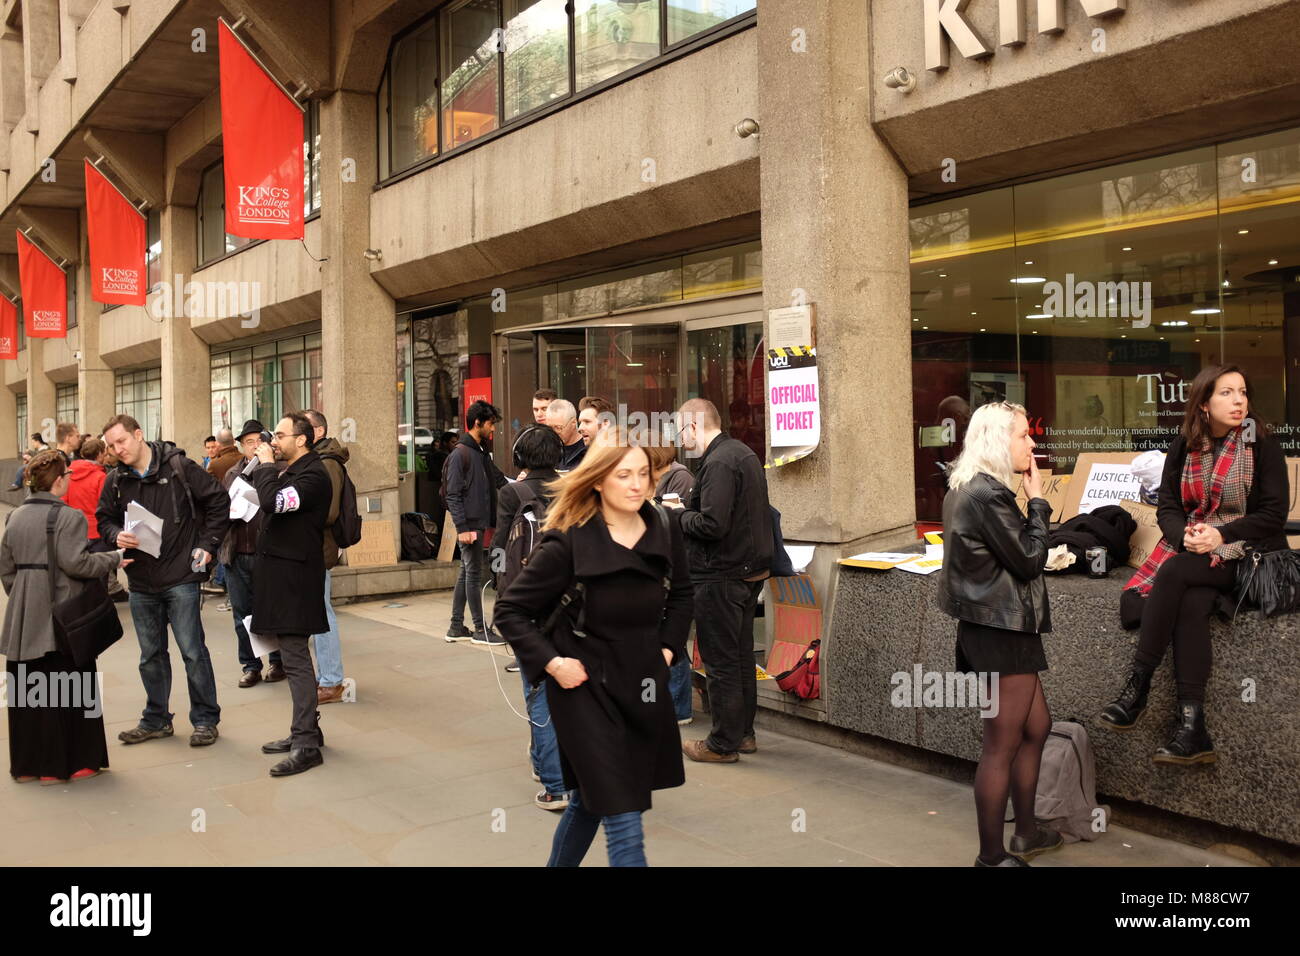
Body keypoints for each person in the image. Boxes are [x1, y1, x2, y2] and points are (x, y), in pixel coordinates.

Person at [495, 433, 693, 866]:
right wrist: (553, 663)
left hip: (641, 682)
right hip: (583, 685)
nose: (636, 484)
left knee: (592, 799)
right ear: (599, 480)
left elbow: (681, 595)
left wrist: (665, 650)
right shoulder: (568, 540)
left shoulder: (664, 526)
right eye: (624, 475)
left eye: (644, 473)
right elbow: (509, 611)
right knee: (623, 810)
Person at [1102, 365, 1288, 765]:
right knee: (1191, 602)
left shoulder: (1262, 445)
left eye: (1242, 392)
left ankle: (1137, 689)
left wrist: (1221, 536)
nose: (1239, 401)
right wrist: (1184, 535)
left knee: (1174, 572)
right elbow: (1168, 505)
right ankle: (1193, 728)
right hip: (1196, 551)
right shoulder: (1185, 444)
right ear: (1204, 404)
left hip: (1250, 555)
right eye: (1226, 393)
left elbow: (1273, 515)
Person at [936, 401, 1061, 867]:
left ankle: (1027, 833)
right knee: (1001, 745)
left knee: (1037, 727)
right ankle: (991, 856)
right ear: (997, 440)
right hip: (1001, 629)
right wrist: (1039, 501)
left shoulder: (966, 487)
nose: (1031, 443)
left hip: (999, 627)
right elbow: (1029, 560)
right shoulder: (987, 495)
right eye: (1024, 435)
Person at [96, 414, 228, 748]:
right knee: (150, 655)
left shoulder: (179, 467)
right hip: (141, 581)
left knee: (192, 651)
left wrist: (207, 545)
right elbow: (104, 520)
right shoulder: (116, 480)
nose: (116, 449)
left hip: (180, 576)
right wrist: (116, 535)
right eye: (110, 445)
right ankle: (156, 720)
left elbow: (218, 502)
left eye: (121, 441)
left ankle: (205, 720)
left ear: (138, 435)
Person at [0, 451, 127, 783]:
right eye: (66, 476)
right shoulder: (68, 516)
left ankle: (29, 767)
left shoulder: (14, 517)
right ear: (58, 481)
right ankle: (74, 763)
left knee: (28, 690)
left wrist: (26, 596)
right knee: (71, 686)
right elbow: (79, 564)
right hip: (62, 618)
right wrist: (115, 558)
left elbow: (7, 571)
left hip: (24, 616)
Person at [670, 398, 772, 763]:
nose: (683, 442)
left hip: (722, 576)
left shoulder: (718, 462)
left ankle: (722, 743)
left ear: (695, 426)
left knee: (722, 662)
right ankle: (742, 734)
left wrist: (676, 515)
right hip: (746, 572)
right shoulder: (740, 453)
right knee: (741, 657)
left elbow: (712, 525)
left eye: (683, 432)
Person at [250, 413, 332, 777]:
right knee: (291, 655)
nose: (274, 441)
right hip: (282, 577)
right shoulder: (295, 471)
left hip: (296, 581)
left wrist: (266, 466)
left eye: (281, 435)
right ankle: (306, 731)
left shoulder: (314, 475)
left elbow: (273, 503)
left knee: (297, 661)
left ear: (302, 439)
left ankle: (306, 745)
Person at [494, 423, 568, 811]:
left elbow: (498, 547)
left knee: (537, 690)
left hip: (526, 604)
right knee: (562, 686)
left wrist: (496, 584)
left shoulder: (513, 492)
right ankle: (545, 766)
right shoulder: (572, 487)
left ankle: (555, 785)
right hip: (570, 602)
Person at [219, 419, 284, 687]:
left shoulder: (277, 470)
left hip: (267, 553)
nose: (255, 446)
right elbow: (219, 508)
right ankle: (250, 665)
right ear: (241, 447)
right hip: (237, 552)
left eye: (259, 441)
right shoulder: (232, 474)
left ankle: (278, 662)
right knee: (242, 614)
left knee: (271, 610)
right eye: (249, 442)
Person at [445, 400, 508, 645]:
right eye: (491, 424)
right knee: (473, 574)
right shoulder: (461, 454)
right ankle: (480, 630)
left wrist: (520, 484)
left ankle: (455, 627)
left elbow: (497, 477)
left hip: (475, 522)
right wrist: (462, 528)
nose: (493, 429)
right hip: (469, 524)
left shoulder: (478, 452)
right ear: (478, 423)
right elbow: (453, 494)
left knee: (466, 572)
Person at [648, 441, 696, 725]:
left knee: (672, 644)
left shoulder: (680, 476)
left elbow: (682, 596)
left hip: (672, 565)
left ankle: (679, 707)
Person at [304, 409, 349, 705]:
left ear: (318, 432)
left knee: (322, 613)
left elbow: (328, 511)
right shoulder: (316, 459)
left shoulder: (328, 462)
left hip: (319, 546)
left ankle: (331, 680)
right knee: (316, 612)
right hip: (311, 545)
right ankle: (325, 677)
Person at [547, 399, 586, 471]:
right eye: (550, 428)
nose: (554, 433)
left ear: (573, 423)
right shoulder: (547, 449)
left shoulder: (587, 450)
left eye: (558, 428)